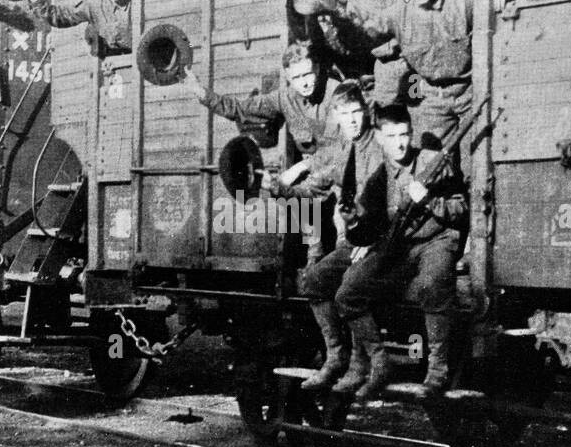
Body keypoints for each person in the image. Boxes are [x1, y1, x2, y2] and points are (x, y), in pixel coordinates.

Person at [333, 106, 467, 400]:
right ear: (380, 138)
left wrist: (430, 200)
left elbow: (460, 208)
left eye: (405, 134)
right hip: (401, 247)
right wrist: (353, 220)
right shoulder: (381, 176)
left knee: (432, 285)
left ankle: (437, 371)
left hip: (436, 240)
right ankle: (379, 362)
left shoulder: (433, 161)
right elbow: (366, 230)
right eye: (392, 136)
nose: (400, 143)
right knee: (348, 293)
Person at [269, 80, 386, 391]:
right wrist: (282, 189)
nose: (351, 120)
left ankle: (362, 364)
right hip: (356, 240)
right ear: (336, 116)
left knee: (349, 288)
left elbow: (389, 203)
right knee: (313, 280)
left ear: (365, 112)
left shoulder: (377, 148)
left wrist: (372, 239)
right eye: (344, 114)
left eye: (356, 112)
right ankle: (336, 356)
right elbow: (318, 186)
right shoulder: (343, 149)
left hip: (381, 241)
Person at [358, 0, 472, 150]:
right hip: (431, 96)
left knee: (476, 159)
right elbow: (366, 30)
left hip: (468, 93)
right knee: (430, 161)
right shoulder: (398, 14)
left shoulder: (461, 3)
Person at [182, 42, 335, 156]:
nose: (304, 83)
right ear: (288, 77)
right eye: (296, 77)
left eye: (307, 74)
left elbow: (343, 151)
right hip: (316, 178)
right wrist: (200, 92)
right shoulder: (284, 98)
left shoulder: (335, 93)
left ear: (317, 69)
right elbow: (240, 108)